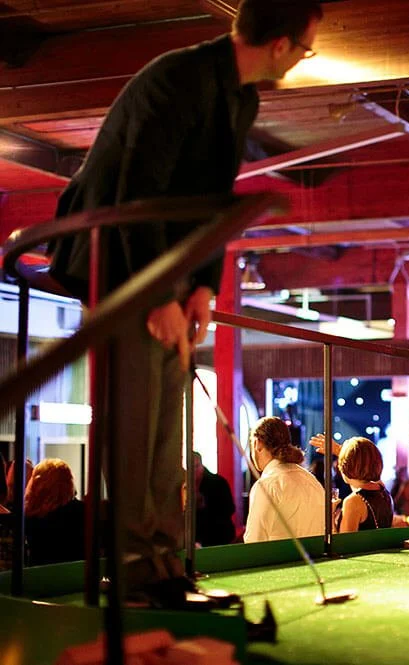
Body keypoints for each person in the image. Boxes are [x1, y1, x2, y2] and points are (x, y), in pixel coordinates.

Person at [44, 0, 323, 606]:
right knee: (137, 420)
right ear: (280, 44)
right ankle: (137, 573)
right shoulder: (177, 78)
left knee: (166, 425)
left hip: (163, 264)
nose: (302, 60)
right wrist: (155, 292)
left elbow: (211, 199)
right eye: (306, 49)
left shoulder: (239, 97)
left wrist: (202, 286)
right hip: (113, 261)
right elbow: (135, 191)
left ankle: (166, 566)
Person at [245, 416, 325, 543]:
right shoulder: (312, 481)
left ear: (257, 443)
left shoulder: (266, 486)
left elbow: (254, 542)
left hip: (281, 562)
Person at [24, 459, 86, 565]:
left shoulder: (29, 518)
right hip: (77, 576)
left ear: (36, 484)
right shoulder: (83, 513)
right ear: (69, 482)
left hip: (37, 578)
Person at [335, 437, 394, 533]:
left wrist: (331, 521)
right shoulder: (384, 491)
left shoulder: (353, 502)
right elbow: (365, 462)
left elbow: (344, 544)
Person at [192, 452, 236, 547]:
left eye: (196, 466)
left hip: (219, 537)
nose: (194, 471)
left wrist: (204, 504)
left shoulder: (218, 483)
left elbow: (230, 509)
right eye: (190, 468)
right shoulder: (185, 485)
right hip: (197, 539)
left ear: (201, 465)